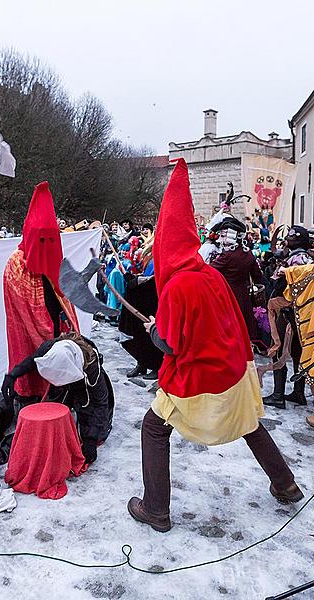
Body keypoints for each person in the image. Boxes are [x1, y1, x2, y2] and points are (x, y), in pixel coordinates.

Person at [127, 159, 303, 533]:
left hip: (200, 377)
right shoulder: (209, 273)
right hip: (234, 370)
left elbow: (171, 346)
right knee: (249, 424)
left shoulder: (176, 286)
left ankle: (156, 508)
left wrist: (155, 329)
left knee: (154, 428)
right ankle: (285, 484)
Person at [3, 181, 79, 408]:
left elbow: (64, 295)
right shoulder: (16, 264)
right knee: (31, 365)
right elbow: (20, 308)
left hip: (57, 324)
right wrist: (42, 330)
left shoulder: (56, 261)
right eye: (41, 239)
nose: (46, 245)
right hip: (27, 333)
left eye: (51, 239)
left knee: (58, 363)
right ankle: (31, 399)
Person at [2, 333, 114, 464]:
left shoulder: (92, 368)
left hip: (84, 386)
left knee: (94, 426)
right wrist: (13, 375)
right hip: (62, 387)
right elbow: (32, 360)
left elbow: (100, 403)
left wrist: (91, 439)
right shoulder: (49, 348)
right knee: (52, 415)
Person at [263, 226, 313, 409]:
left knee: (277, 349)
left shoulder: (296, 259)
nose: (287, 239)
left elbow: (276, 280)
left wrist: (274, 267)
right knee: (297, 352)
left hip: (288, 312)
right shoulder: (307, 257)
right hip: (300, 313)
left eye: (290, 237)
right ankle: (299, 393)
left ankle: (278, 395)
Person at [210, 216, 264, 341]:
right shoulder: (248, 254)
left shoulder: (227, 256)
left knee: (229, 329)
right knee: (243, 326)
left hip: (227, 294)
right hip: (243, 294)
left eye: (223, 236)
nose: (221, 239)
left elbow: (209, 270)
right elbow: (258, 276)